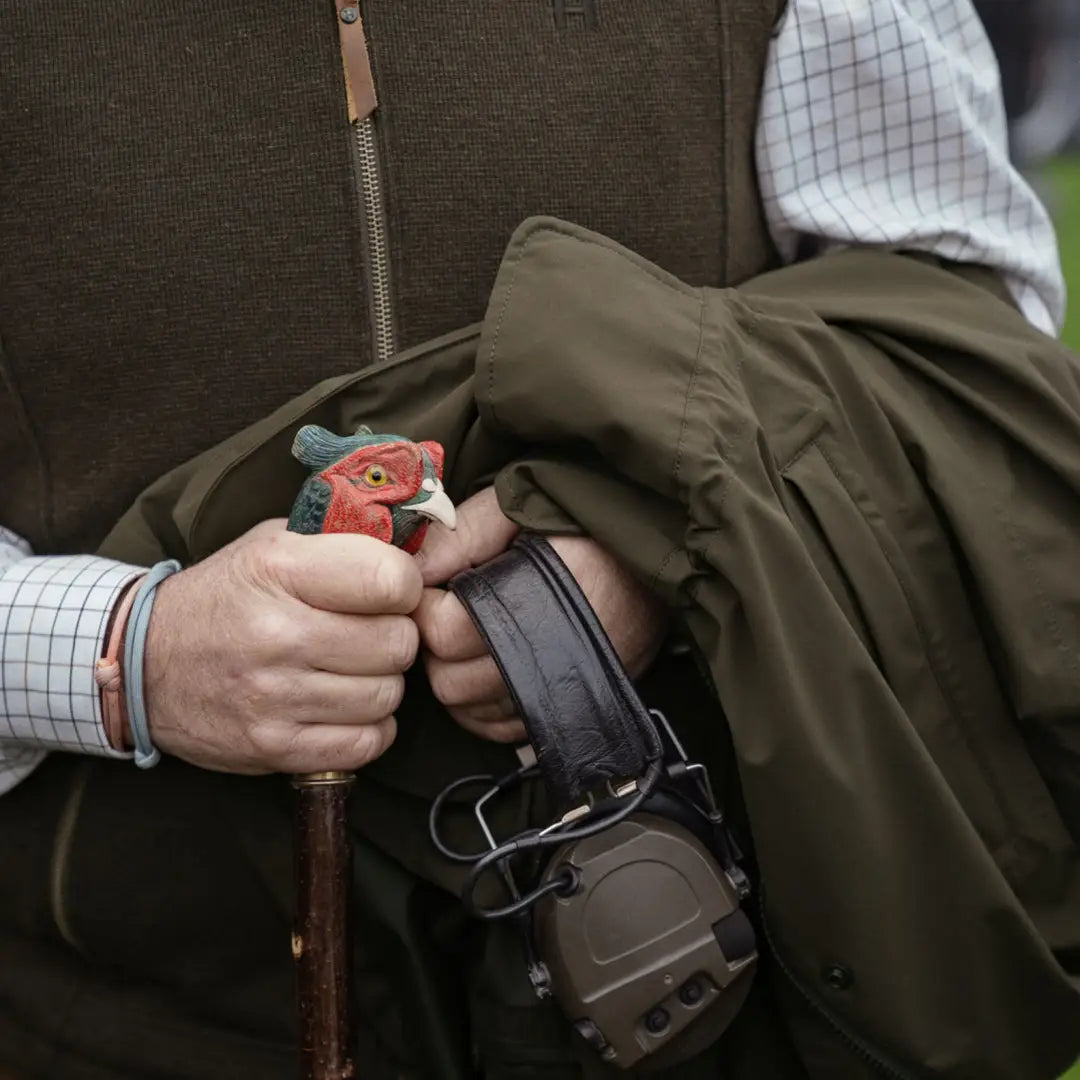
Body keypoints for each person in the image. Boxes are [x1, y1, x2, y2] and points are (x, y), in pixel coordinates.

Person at [0, 1, 1071, 1077]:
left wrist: (661, 530)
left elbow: (957, 329)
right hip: (105, 1004)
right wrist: (125, 653)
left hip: (691, 976)